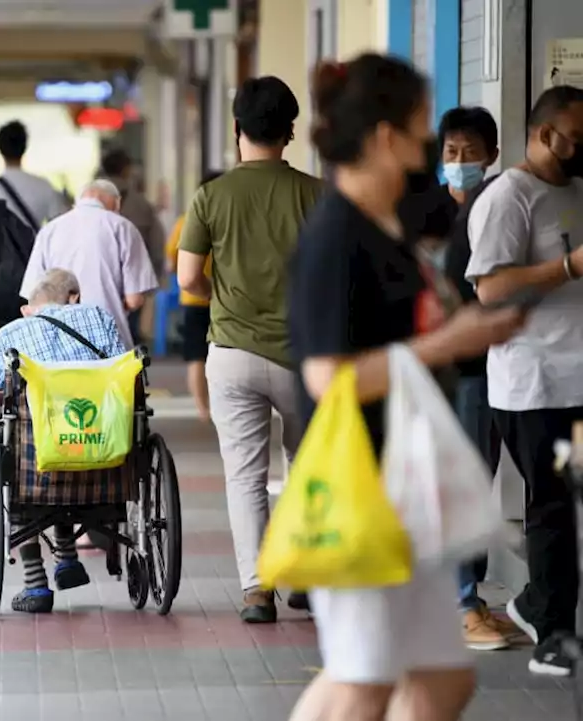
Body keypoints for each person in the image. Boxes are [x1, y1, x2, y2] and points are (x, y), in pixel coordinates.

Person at [286, 55, 525, 721]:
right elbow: (327, 376)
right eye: (423, 133)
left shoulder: (385, 229)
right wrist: (445, 345)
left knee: (443, 680)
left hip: (406, 484)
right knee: (359, 682)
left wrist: (463, 330)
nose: (431, 152)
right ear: (386, 136)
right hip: (357, 487)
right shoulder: (336, 236)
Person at [176, 75, 325, 623]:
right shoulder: (316, 194)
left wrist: (227, 295)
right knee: (306, 466)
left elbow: (188, 277)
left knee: (244, 475)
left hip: (232, 353)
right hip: (303, 356)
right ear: (291, 131)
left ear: (237, 129)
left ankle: (257, 590)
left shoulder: (211, 196)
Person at [465, 84, 583, 677]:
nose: (581, 151)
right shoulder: (507, 198)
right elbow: (489, 288)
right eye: (576, 141)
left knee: (565, 503)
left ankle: (538, 604)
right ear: (543, 135)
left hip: (579, 376)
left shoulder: (578, 192)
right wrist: (566, 266)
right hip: (530, 382)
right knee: (553, 505)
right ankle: (553, 634)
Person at [0, 269, 127, 613]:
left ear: (27, 308)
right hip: (106, 462)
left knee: (14, 448)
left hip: (38, 471)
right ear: (73, 298)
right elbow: (122, 379)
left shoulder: (10, 334)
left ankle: (35, 583)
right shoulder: (98, 317)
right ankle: (66, 555)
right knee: (56, 438)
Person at [428, 106, 522, 651]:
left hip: (498, 365)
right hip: (459, 371)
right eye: (451, 152)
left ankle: (468, 598)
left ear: (490, 155)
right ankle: (460, 604)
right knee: (465, 482)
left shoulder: (496, 206)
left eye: (468, 153)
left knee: (479, 482)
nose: (459, 163)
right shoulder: (434, 214)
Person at [19, 179, 158, 349]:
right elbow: (134, 299)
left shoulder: (50, 230)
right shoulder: (123, 227)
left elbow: (32, 296)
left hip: (56, 341)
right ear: (117, 202)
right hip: (108, 341)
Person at [163, 171, 223, 422]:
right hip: (225, 299)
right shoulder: (231, 219)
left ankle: (202, 409)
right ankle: (223, 406)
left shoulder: (186, 220)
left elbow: (171, 262)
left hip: (193, 299)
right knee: (225, 354)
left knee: (196, 357)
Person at [100, 149, 165, 340]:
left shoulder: (92, 199)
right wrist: (155, 273)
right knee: (130, 328)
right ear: (126, 170)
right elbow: (156, 241)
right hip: (133, 276)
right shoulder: (141, 203)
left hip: (101, 272)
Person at [0, 120, 69, 228]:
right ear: (25, 146)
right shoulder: (44, 187)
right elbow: (61, 224)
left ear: (0, 148)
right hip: (34, 244)